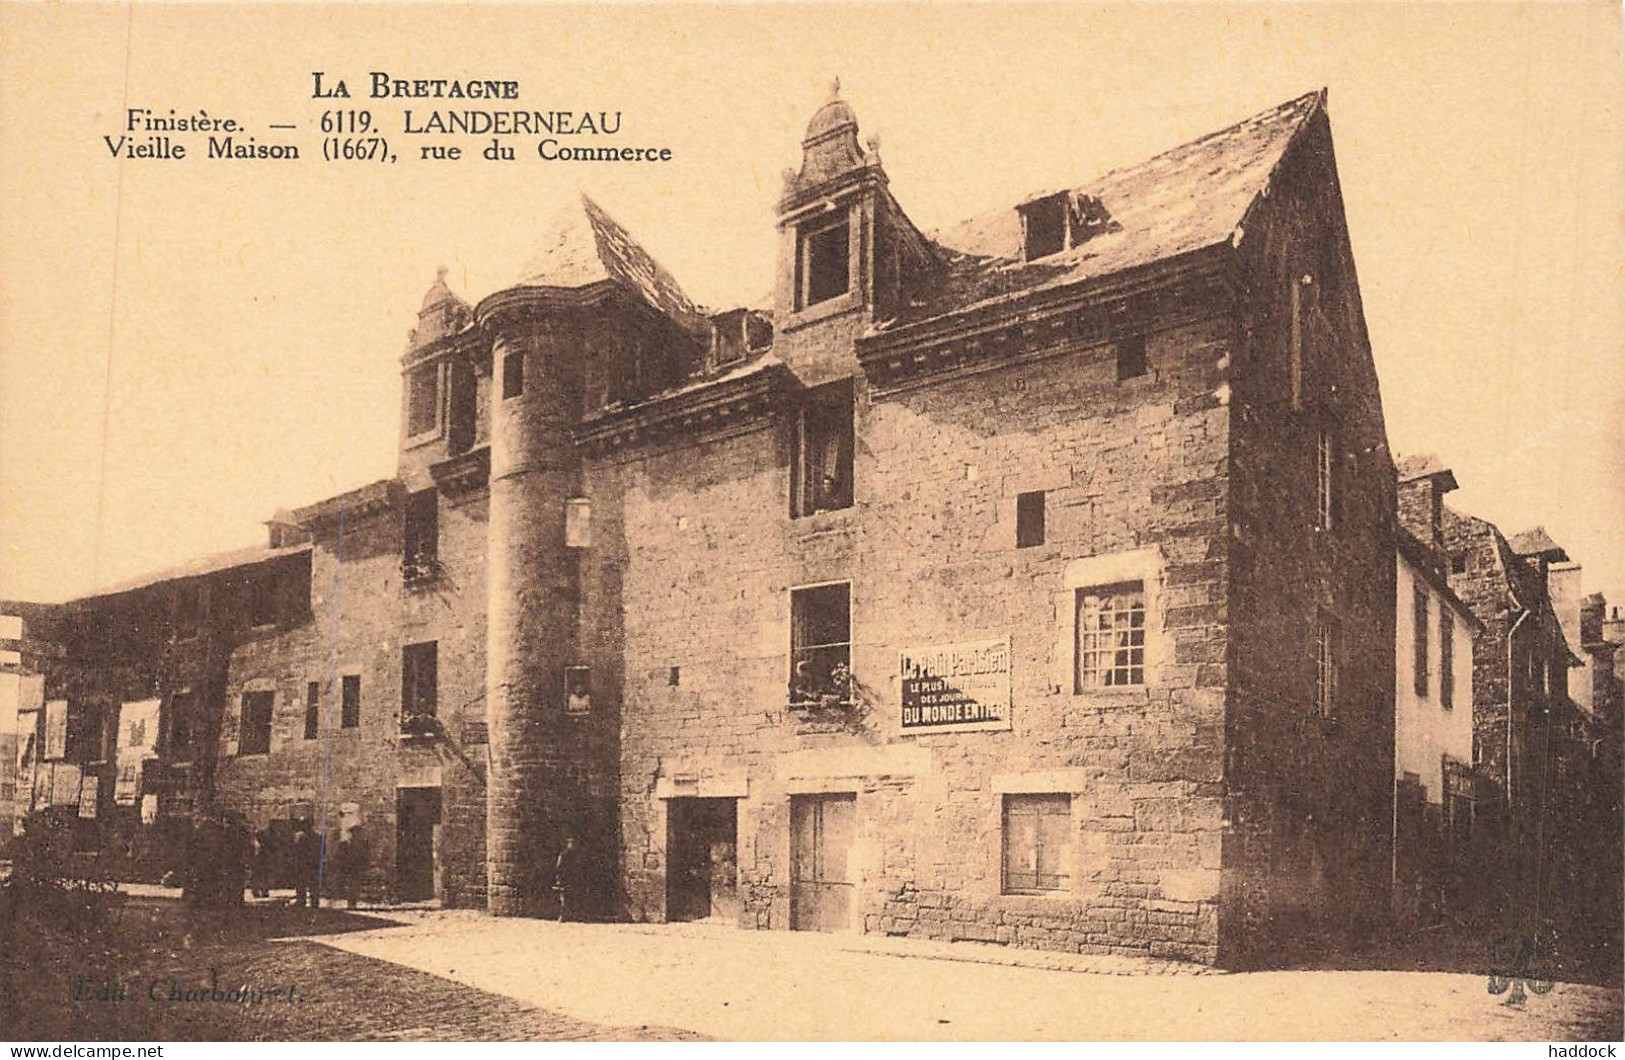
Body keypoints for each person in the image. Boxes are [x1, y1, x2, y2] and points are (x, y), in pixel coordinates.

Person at [551, 836, 584, 922]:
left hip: (572, 878)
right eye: (570, 843)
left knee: (572, 897)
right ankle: (562, 916)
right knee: (563, 898)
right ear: (567, 844)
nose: (572, 845)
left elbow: (578, 866)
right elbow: (558, 867)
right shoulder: (563, 855)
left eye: (573, 843)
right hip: (564, 878)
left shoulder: (575, 855)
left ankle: (570, 915)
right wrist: (559, 878)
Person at [336, 825, 365, 909]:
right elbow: (338, 855)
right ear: (351, 833)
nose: (357, 835)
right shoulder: (344, 844)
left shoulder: (363, 844)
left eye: (359, 832)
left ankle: (353, 902)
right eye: (355, 832)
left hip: (357, 868)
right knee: (349, 885)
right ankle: (350, 902)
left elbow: (366, 856)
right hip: (347, 868)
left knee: (355, 886)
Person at [292, 822, 319, 909]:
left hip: (303, 862)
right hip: (313, 862)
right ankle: (314, 901)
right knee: (312, 883)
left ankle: (301, 900)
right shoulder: (317, 836)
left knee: (301, 882)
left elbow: (296, 849)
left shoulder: (299, 836)